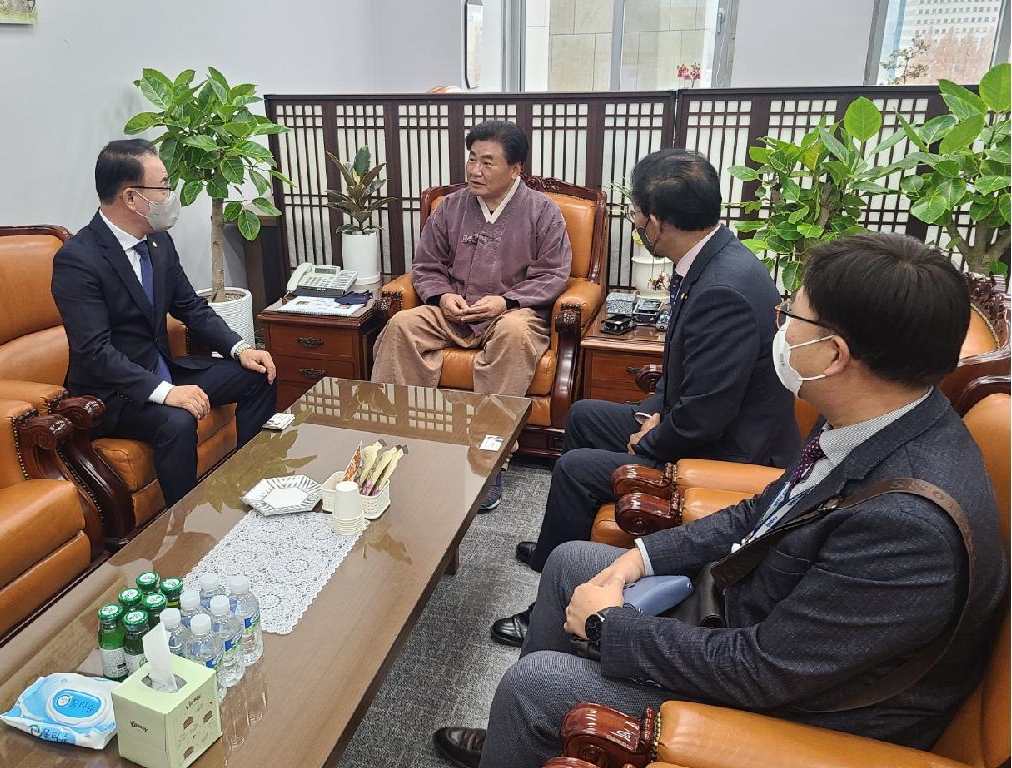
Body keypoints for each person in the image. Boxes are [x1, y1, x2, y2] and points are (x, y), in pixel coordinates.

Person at [433, 233, 1008, 768]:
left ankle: (530, 720)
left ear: (833, 355)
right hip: (765, 615)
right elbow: (765, 510)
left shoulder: (908, 526)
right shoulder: (872, 416)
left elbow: (767, 672)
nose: (779, 331)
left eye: (791, 317)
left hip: (815, 711)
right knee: (573, 563)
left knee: (535, 684)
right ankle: (525, 740)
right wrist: (642, 557)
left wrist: (609, 628)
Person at [491, 148, 799, 647]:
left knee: (574, 468)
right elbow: (686, 380)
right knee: (587, 415)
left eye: (635, 212)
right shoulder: (709, 256)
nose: (633, 220)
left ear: (658, 223)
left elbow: (707, 415)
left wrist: (652, 441)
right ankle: (557, 550)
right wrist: (654, 414)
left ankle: (554, 598)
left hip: (728, 450)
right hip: (696, 419)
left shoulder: (726, 288)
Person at [52, 139, 277, 507]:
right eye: (164, 186)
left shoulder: (158, 242)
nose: (171, 196)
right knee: (177, 422)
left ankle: (247, 482)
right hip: (116, 393)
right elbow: (94, 352)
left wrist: (241, 348)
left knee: (258, 375)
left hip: (164, 368)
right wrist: (166, 392)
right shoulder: (78, 260)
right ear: (131, 198)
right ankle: (181, 527)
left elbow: (190, 306)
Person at [370, 120, 572, 511]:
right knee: (401, 325)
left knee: (514, 334)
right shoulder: (451, 207)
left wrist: (507, 302)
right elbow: (426, 265)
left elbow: (554, 274)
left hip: (513, 313)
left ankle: (488, 459)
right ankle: (395, 440)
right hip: (454, 310)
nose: (475, 170)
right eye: (472, 160)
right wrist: (442, 296)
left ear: (515, 169)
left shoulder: (542, 211)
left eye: (488, 162)